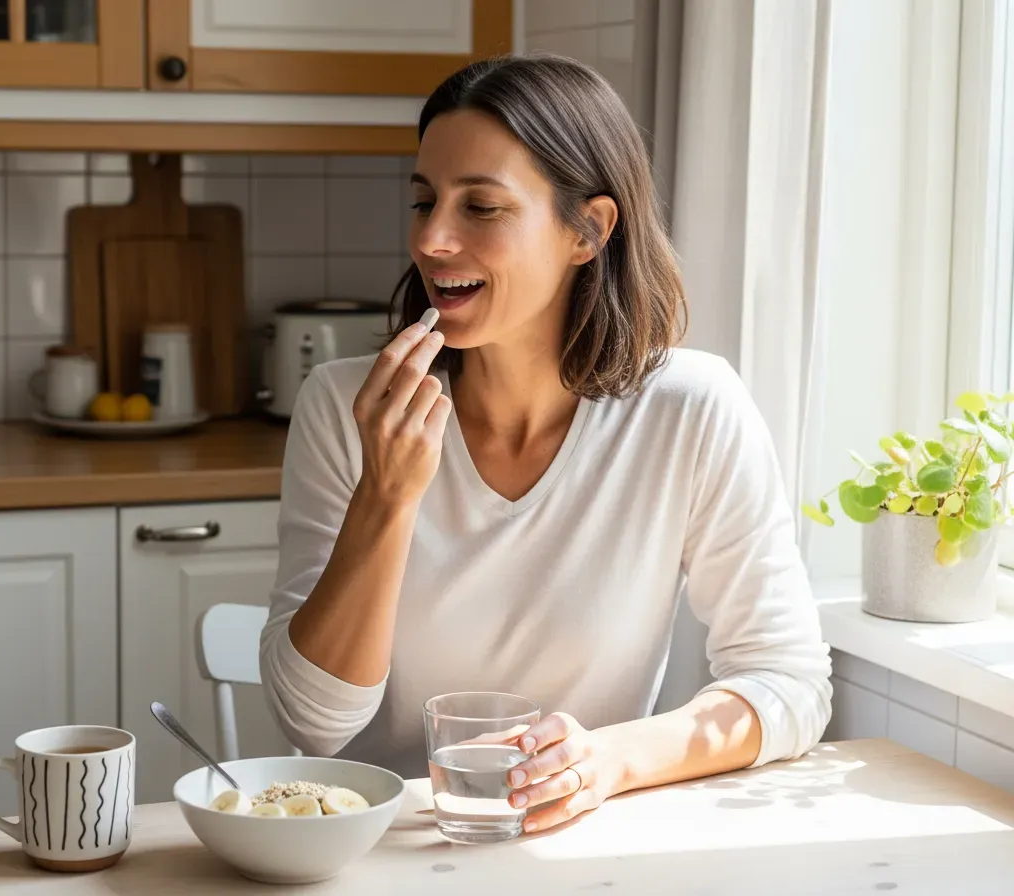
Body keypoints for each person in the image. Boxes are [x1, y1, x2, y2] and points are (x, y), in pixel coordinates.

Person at [259, 53, 832, 835]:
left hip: (581, 847)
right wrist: (387, 496)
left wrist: (608, 761)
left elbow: (789, 682)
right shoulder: (344, 408)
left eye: (481, 208)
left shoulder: (692, 411)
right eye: (424, 201)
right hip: (379, 849)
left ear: (587, 231)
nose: (432, 239)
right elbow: (312, 724)